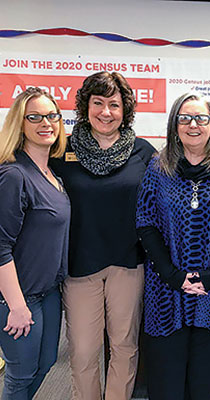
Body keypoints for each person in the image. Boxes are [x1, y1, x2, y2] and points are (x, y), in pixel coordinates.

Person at [136, 92, 210, 400]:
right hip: (166, 291)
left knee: (203, 385)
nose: (193, 125)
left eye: (201, 118)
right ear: (174, 124)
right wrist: (173, 276)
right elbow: (146, 224)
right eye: (185, 118)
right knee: (165, 385)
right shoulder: (157, 168)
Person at [51, 71, 155, 400]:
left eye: (114, 104)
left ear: (125, 110)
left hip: (128, 264)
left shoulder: (143, 151)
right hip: (80, 265)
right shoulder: (62, 151)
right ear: (86, 106)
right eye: (98, 103)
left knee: (124, 346)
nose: (106, 112)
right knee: (82, 351)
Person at [0, 87, 70, 399]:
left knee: (46, 364)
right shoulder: (13, 174)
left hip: (48, 293)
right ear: (20, 123)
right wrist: (16, 305)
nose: (46, 123)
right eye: (35, 117)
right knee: (20, 375)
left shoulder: (52, 174)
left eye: (52, 115)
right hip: (18, 298)